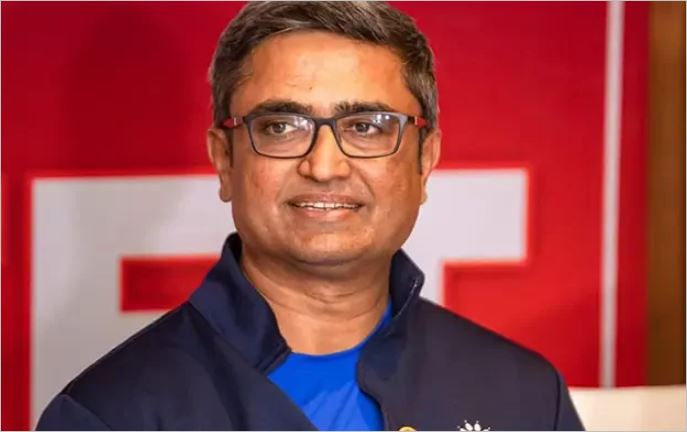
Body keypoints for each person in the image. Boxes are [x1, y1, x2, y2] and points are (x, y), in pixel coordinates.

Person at [37, 2, 583, 430]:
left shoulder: (525, 398)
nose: (324, 166)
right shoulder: (109, 416)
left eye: (366, 127)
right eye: (281, 127)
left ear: (426, 160)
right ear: (225, 160)